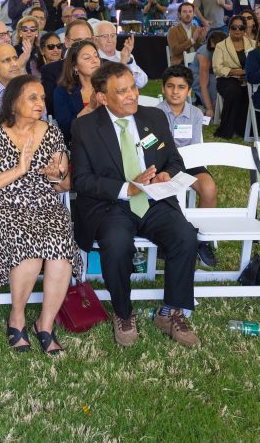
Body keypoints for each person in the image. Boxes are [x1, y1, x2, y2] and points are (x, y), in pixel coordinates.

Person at [71, 62, 202, 348]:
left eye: (133, 87)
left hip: (153, 200)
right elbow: (81, 180)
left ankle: (170, 311)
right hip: (111, 205)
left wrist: (168, 173)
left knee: (186, 236)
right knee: (116, 243)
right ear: (103, 97)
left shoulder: (153, 117)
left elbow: (174, 160)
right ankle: (123, 312)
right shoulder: (85, 127)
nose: (132, 95)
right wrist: (126, 188)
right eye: (122, 91)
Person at [0, 75, 79, 354]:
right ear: (13, 102)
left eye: (42, 98)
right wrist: (18, 170)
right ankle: (16, 317)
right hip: (5, 206)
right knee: (29, 247)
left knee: (60, 247)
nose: (40, 103)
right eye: (33, 97)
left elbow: (66, 184)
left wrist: (58, 176)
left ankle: (45, 323)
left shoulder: (52, 133)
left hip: (46, 204)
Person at [158, 65, 219, 268]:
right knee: (166, 192)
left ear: (189, 91)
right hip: (162, 164)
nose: (175, 92)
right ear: (163, 88)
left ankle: (200, 239)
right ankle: (167, 240)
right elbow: (155, 146)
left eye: (181, 87)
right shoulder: (154, 113)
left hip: (189, 162)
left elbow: (193, 145)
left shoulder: (195, 114)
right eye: (170, 86)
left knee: (209, 188)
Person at [42, 18, 96, 118]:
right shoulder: (51, 71)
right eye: (78, 41)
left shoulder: (106, 67)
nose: (84, 46)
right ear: (66, 42)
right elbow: (52, 111)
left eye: (88, 41)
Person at [213, 14, 255, 139]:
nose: (237, 30)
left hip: (249, 80)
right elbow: (217, 68)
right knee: (234, 91)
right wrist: (237, 72)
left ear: (245, 29)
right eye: (234, 27)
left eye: (241, 27)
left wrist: (247, 74)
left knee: (251, 93)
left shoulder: (253, 44)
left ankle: (245, 130)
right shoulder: (221, 45)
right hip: (227, 79)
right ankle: (227, 129)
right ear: (228, 28)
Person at [54, 39, 101, 144]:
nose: (95, 60)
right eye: (87, 58)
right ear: (75, 66)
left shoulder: (107, 85)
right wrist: (90, 108)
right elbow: (65, 130)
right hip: (79, 144)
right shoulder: (62, 92)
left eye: (96, 56)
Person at [95, 21, 147, 88]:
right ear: (96, 40)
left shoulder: (123, 54)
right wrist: (123, 63)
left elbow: (141, 83)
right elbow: (109, 87)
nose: (109, 40)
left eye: (113, 36)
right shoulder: (95, 59)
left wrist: (129, 60)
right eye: (105, 36)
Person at [190, 30, 222, 122]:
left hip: (214, 75)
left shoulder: (224, 49)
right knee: (214, 82)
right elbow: (203, 84)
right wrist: (210, 109)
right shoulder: (205, 53)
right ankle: (213, 109)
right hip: (199, 76)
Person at [167, 2, 207, 66]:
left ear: (193, 14)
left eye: (190, 11)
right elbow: (175, 51)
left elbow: (201, 50)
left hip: (197, 61)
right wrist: (193, 40)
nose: (188, 14)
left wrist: (202, 39)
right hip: (180, 63)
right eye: (185, 12)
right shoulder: (173, 30)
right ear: (179, 14)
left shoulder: (196, 29)